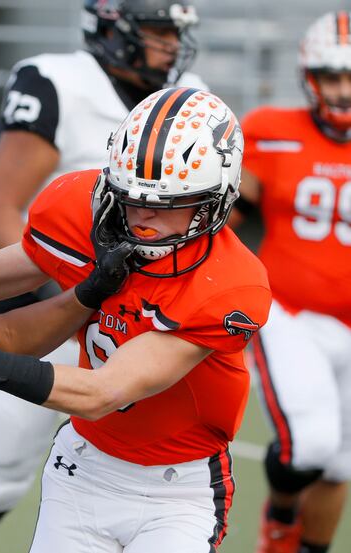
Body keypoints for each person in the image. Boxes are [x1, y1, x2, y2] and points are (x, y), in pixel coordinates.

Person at [0, 88, 272, 552]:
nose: (142, 218)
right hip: (85, 468)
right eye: (130, 197)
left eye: (168, 204)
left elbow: (102, 393)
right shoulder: (83, 208)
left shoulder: (232, 284)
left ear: (216, 199)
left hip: (178, 492)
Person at [0, 1, 205, 551]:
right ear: (113, 28)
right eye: (158, 32)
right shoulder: (56, 82)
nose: (171, 46)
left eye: (176, 34)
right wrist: (76, 290)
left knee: (139, 464)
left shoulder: (189, 96)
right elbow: (3, 204)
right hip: (44, 300)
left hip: (136, 316)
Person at [230, 11, 351, 553]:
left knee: (340, 463)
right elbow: (225, 215)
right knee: (310, 445)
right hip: (291, 312)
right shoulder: (269, 130)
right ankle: (280, 519)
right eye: (332, 76)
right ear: (309, 76)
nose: (343, 90)